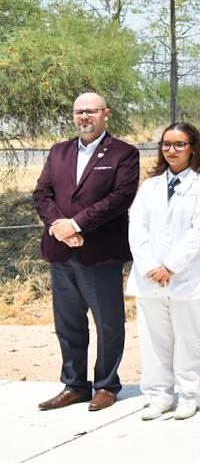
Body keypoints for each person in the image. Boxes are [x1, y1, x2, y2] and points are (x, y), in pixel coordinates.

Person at [32, 92, 139, 412]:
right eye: (79, 111)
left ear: (106, 114)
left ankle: (106, 384)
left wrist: (77, 225)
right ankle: (74, 385)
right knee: (68, 323)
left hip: (100, 253)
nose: (84, 117)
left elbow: (120, 198)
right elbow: (42, 194)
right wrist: (60, 227)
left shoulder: (124, 153)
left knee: (108, 323)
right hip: (61, 252)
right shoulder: (59, 151)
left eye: (91, 111)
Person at [125, 122, 200, 420]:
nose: (171, 150)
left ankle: (189, 395)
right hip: (150, 277)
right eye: (166, 144)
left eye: (179, 144)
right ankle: (159, 396)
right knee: (154, 340)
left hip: (188, 277)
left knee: (189, 339)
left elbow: (199, 231)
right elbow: (136, 227)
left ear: (193, 148)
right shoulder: (149, 187)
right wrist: (151, 266)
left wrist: (170, 267)